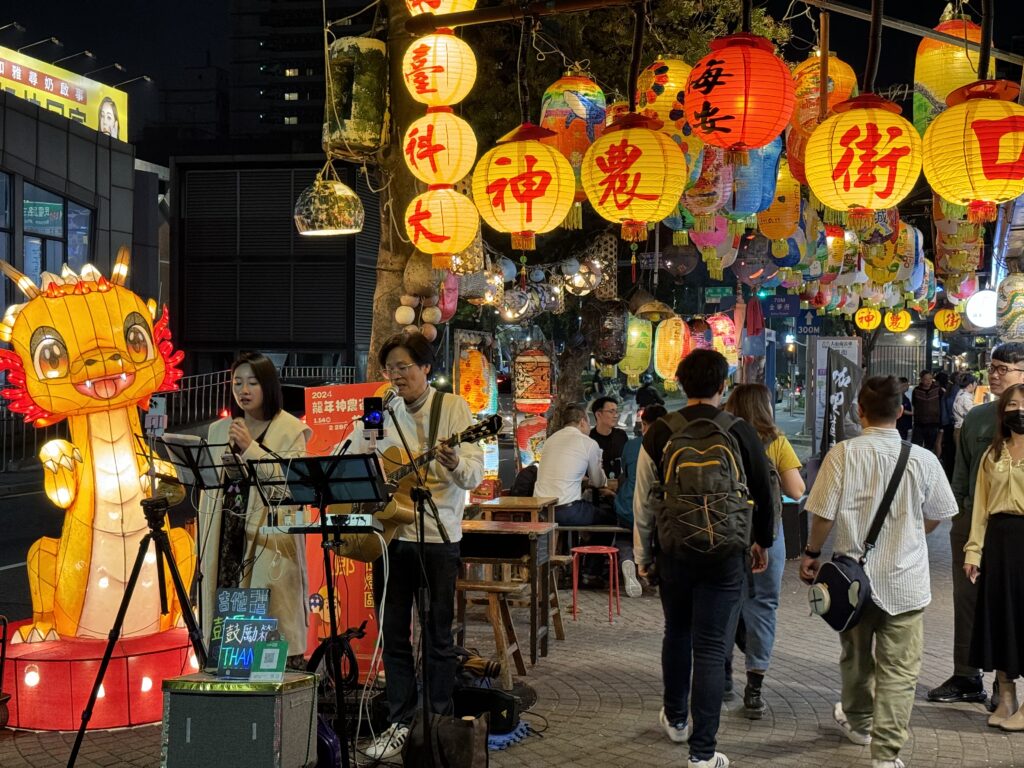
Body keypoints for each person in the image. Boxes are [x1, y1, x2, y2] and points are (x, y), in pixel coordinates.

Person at [800, 376, 957, 768]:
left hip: (853, 582)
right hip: (906, 581)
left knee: (855, 657)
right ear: (902, 411)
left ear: (860, 411)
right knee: (901, 670)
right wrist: (910, 534)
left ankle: (858, 724)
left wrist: (811, 552)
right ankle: (886, 754)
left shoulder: (843, 453)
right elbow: (939, 514)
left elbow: (823, 514)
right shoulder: (923, 459)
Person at [634, 348, 775, 768]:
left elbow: (644, 502)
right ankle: (703, 754)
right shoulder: (740, 430)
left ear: (680, 385)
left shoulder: (659, 432)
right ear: (722, 386)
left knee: (676, 632)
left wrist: (643, 555)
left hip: (674, 550)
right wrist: (760, 541)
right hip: (727, 552)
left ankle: (677, 720)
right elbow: (764, 494)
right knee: (712, 648)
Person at [359, 332, 484, 760]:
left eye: (405, 368)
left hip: (437, 538)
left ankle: (436, 725)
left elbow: (473, 474)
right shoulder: (380, 408)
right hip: (392, 537)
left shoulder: (452, 409)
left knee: (437, 637)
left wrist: (452, 462)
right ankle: (398, 722)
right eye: (390, 369)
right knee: (393, 633)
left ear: (426, 368)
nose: (397, 376)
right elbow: (360, 456)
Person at [199, 351, 312, 669]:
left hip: (266, 543)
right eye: (237, 383)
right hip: (226, 540)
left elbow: (291, 489)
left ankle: (268, 696)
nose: (243, 390)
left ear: (268, 386)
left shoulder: (289, 429)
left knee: (269, 625)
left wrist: (251, 449)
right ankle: (230, 690)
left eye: (252, 382)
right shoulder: (220, 430)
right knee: (227, 636)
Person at [933, 342, 1024, 705]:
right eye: (993, 367)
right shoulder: (976, 416)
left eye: (1004, 368)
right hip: (974, 520)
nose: (995, 374)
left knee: (1010, 603)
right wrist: (958, 517)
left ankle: (1007, 687)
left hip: (1015, 526)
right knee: (968, 600)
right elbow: (961, 471)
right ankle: (967, 675)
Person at [722, 384, 805, 720]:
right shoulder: (775, 441)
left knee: (725, 603)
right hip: (767, 534)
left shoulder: (721, 438)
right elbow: (796, 491)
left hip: (726, 533)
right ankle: (754, 688)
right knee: (764, 606)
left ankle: (723, 677)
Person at [965, 383, 1024, 729]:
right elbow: (980, 509)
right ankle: (1006, 698)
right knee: (1001, 618)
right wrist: (974, 550)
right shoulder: (992, 454)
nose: (1018, 410)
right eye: (1012, 405)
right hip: (999, 543)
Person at [615, 404, 667, 597]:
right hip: (658, 510)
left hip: (628, 505)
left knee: (625, 533)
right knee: (657, 533)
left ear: (645, 425)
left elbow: (626, 475)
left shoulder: (632, 445)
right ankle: (653, 575)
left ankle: (627, 560)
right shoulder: (673, 443)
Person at [590, 395, 629, 478]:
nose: (616, 415)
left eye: (616, 411)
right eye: (611, 411)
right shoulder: (588, 438)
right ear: (598, 414)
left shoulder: (621, 435)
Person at [911, 369, 942, 455]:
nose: (928, 381)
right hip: (919, 423)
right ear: (921, 379)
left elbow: (942, 405)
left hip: (933, 423)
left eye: (930, 379)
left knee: (930, 447)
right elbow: (914, 404)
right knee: (916, 446)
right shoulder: (916, 391)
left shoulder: (938, 390)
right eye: (926, 379)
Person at [952, 373, 978, 446]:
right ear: (970, 385)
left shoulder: (961, 393)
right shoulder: (965, 397)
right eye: (975, 385)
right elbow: (973, 412)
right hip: (962, 429)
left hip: (959, 428)